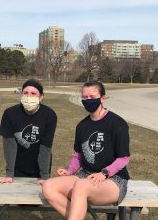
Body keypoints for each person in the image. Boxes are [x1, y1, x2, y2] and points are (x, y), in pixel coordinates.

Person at [41, 81, 130, 220]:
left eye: (92, 96)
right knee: (48, 186)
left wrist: (104, 173)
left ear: (102, 98)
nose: (88, 100)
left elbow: (124, 158)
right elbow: (77, 156)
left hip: (113, 180)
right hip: (85, 176)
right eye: (85, 97)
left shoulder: (117, 123)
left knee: (81, 186)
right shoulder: (82, 126)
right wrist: (69, 171)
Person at [0, 78, 57, 184]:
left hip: (40, 166)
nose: (29, 96)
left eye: (33, 93)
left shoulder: (49, 115)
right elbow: (9, 146)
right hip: (17, 165)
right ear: (21, 95)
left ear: (41, 97)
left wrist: (44, 176)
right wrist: (10, 174)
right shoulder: (10, 114)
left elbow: (46, 147)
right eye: (25, 93)